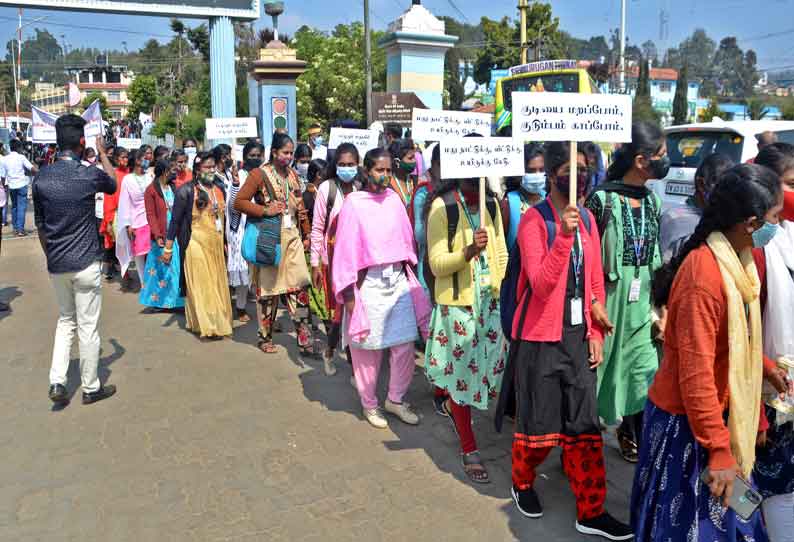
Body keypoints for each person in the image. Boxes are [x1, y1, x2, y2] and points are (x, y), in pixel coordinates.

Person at [631, 164, 782, 541]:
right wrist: (718, 451)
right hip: (691, 427)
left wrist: (762, 370)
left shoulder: (739, 262)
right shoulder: (705, 277)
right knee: (696, 528)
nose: (777, 227)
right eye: (774, 218)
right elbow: (695, 377)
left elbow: (734, 341)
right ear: (750, 222)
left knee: (741, 518)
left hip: (723, 417)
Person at [499, 141, 631, 539]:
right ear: (555, 174)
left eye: (587, 167)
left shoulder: (589, 220)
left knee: (584, 426)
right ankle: (522, 482)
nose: (582, 175)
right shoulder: (534, 221)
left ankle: (591, 510)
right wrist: (563, 237)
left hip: (577, 339)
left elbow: (593, 282)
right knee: (538, 425)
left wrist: (595, 327)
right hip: (539, 338)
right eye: (574, 168)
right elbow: (540, 286)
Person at [584, 121, 668, 463]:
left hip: (642, 309)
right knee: (600, 380)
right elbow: (584, 258)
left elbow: (657, 259)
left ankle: (634, 434)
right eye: (661, 155)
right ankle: (581, 443)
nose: (666, 160)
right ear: (640, 159)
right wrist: (591, 302)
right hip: (607, 306)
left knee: (644, 376)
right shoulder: (601, 199)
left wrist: (662, 310)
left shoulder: (652, 202)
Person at [423, 154, 509, 482]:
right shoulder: (442, 208)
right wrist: (469, 252)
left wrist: (503, 290)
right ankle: (469, 447)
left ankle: (450, 404)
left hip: (490, 304)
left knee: (487, 374)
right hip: (459, 306)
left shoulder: (490, 204)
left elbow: (501, 251)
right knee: (463, 380)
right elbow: (436, 265)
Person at [332, 147, 431, 428]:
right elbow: (345, 252)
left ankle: (396, 399)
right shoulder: (353, 203)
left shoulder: (395, 200)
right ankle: (369, 404)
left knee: (403, 346)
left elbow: (407, 241)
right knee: (368, 348)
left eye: (389, 170)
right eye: (379, 170)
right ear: (366, 171)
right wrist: (350, 296)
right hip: (369, 282)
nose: (385, 176)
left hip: (398, 279)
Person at [33, 115, 118, 406]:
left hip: (57, 263)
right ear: (82, 143)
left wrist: (51, 257)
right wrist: (104, 153)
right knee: (87, 326)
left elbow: (41, 226)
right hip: (86, 262)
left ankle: (57, 381)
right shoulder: (88, 174)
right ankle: (90, 387)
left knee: (65, 321)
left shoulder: (41, 177)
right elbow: (113, 182)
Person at [749, 143, 794, 542]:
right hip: (763, 395)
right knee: (761, 490)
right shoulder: (756, 246)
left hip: (786, 390)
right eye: (792, 184)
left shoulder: (787, 233)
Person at [234, 133, 313, 355]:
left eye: (291, 153)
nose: (288, 157)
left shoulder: (293, 176)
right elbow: (239, 202)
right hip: (269, 239)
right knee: (269, 291)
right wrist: (264, 210)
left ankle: (304, 338)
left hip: (292, 238)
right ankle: (264, 337)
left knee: (299, 287)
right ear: (274, 152)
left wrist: (306, 234)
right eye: (285, 153)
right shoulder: (259, 174)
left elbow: (300, 207)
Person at [163, 152, 233, 339]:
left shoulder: (219, 188)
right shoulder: (185, 191)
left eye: (213, 167)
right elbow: (175, 222)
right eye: (207, 167)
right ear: (197, 169)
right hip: (195, 243)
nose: (211, 170)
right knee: (203, 285)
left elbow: (223, 219)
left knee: (216, 284)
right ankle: (208, 325)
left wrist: (226, 243)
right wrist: (168, 249)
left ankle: (215, 320)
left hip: (216, 245)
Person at [310, 143, 360, 375]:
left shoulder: (362, 188)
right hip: (333, 260)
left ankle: (355, 361)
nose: (347, 168)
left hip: (360, 260)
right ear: (335, 165)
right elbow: (317, 228)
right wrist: (315, 264)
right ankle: (330, 352)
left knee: (356, 311)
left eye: (351, 164)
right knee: (340, 313)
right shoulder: (327, 189)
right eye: (342, 164)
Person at [659, 153, 735, 263]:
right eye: (720, 188)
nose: (725, 196)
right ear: (701, 184)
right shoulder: (673, 218)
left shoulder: (724, 220)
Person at [139, 159, 184, 311]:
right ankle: (160, 302)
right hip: (162, 233)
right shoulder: (150, 190)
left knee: (176, 268)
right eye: (172, 169)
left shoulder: (174, 187)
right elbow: (151, 215)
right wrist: (157, 235)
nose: (175, 171)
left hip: (176, 233)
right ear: (165, 172)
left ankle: (176, 302)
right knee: (161, 270)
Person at [223, 143, 255, 322]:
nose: (255, 158)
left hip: (261, 227)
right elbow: (232, 206)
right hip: (242, 227)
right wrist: (235, 185)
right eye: (252, 155)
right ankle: (240, 307)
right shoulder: (240, 177)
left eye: (259, 155)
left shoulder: (266, 174)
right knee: (242, 271)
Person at [116, 148, 152, 288]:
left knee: (152, 252)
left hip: (150, 220)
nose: (147, 160)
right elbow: (125, 203)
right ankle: (144, 283)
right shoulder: (127, 180)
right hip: (137, 221)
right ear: (137, 161)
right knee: (139, 254)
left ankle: (153, 281)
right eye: (144, 158)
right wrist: (128, 224)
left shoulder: (150, 176)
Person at [502, 142, 546, 251]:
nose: (537, 175)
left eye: (541, 170)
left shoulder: (549, 199)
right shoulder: (509, 204)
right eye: (531, 171)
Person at [412, 144, 442, 294]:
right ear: (431, 168)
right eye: (440, 164)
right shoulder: (423, 194)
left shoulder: (460, 192)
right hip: (429, 268)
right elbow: (420, 236)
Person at [100, 147, 129, 281]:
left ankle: (125, 271)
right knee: (118, 245)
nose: (125, 159)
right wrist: (109, 220)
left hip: (130, 215)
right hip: (117, 215)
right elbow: (109, 198)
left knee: (128, 246)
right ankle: (115, 269)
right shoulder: (113, 175)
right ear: (116, 159)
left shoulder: (131, 173)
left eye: (126, 157)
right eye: (122, 157)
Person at [1, 138, 38, 236]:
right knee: (21, 207)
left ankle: (15, 229)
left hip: (11, 186)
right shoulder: (21, 157)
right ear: (18, 147)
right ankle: (20, 230)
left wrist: (4, 187)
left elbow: (3, 176)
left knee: (14, 207)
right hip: (22, 184)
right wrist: (40, 173)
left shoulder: (5, 159)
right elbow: (32, 168)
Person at [388, 138, 418, 208]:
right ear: (397, 162)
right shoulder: (387, 185)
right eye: (410, 158)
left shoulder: (415, 181)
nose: (414, 161)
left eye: (414, 157)